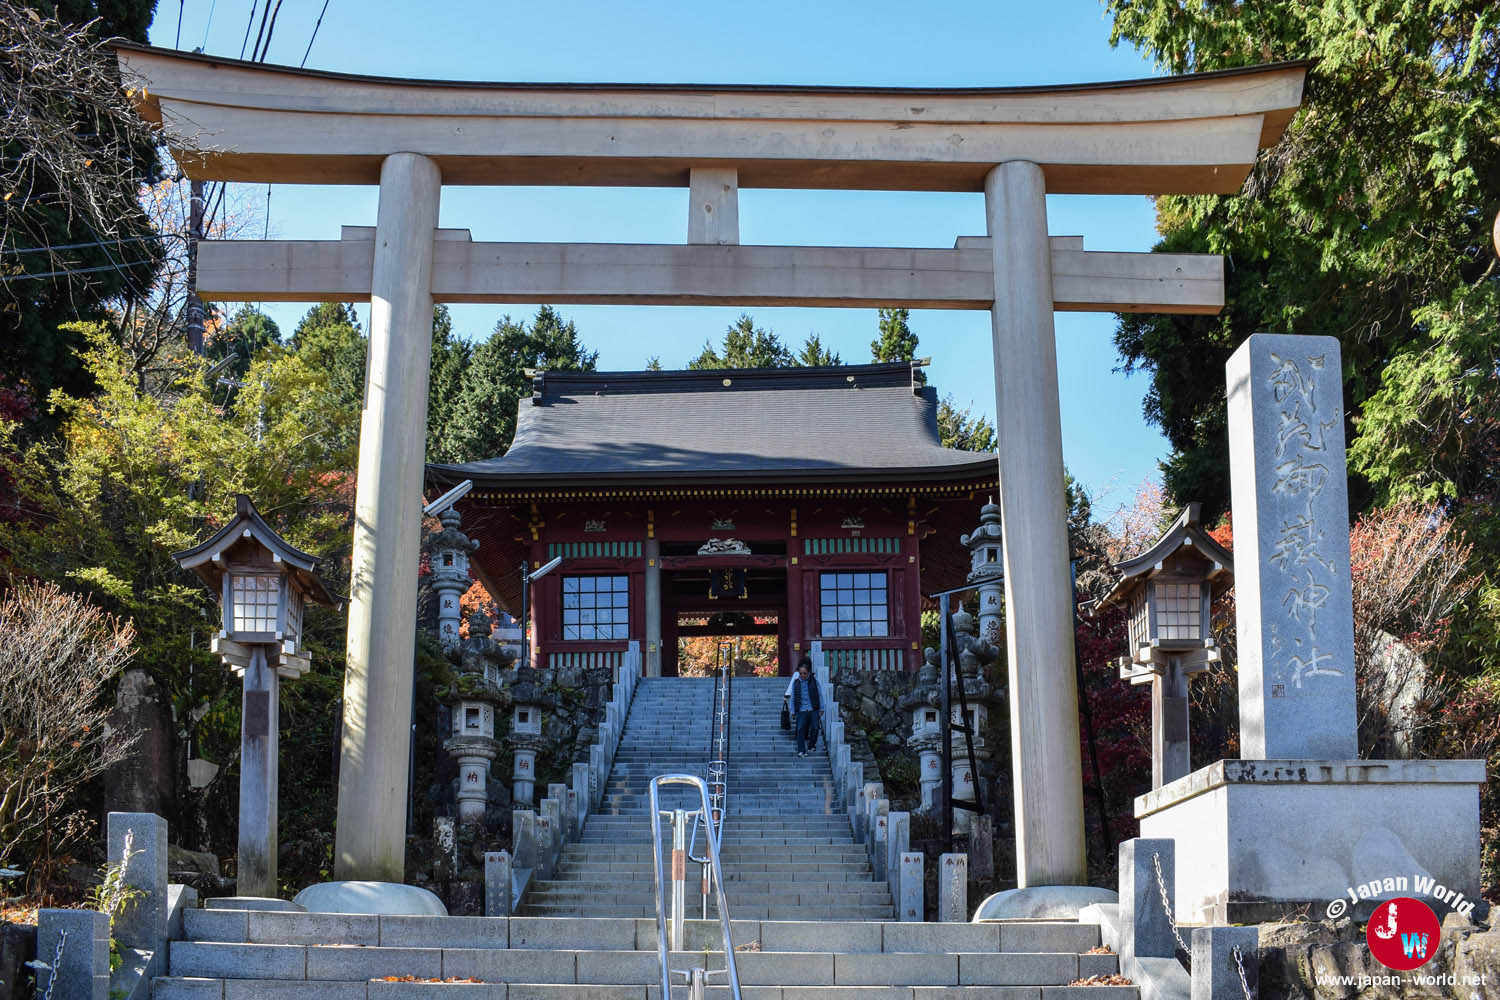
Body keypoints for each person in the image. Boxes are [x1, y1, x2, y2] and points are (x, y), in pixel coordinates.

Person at [783, 657, 822, 757]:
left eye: (804, 673)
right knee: (800, 729)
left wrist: (822, 708)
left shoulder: (814, 681)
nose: (802, 675)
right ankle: (801, 750)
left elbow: (820, 694)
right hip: (801, 710)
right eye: (801, 673)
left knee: (815, 728)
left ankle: (811, 745)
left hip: (813, 708)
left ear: (808, 672)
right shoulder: (796, 683)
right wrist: (792, 711)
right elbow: (793, 698)